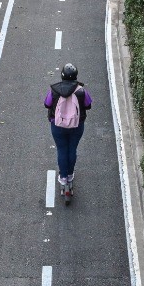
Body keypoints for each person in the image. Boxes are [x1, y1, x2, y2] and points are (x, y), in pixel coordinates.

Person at [44, 64, 92, 200]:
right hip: (77, 125)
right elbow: (88, 105)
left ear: (62, 76)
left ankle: (63, 178)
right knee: (72, 149)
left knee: (62, 149)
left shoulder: (54, 90)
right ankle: (70, 175)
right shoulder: (81, 91)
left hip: (57, 126)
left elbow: (47, 104)